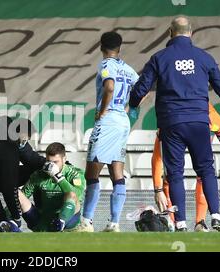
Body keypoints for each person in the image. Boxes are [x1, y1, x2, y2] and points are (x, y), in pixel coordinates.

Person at [129, 15, 220, 231]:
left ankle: (182, 223)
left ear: (170, 33)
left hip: (171, 123)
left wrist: (133, 104)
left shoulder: (159, 58)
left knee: (175, 173)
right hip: (198, 121)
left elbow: (142, 87)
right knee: (206, 169)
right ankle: (215, 216)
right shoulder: (203, 57)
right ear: (191, 33)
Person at [82, 31, 139, 232]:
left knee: (91, 173)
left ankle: (86, 221)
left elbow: (109, 87)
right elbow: (143, 89)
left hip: (108, 122)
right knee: (117, 171)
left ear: (101, 46)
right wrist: (128, 109)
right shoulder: (128, 69)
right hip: (123, 122)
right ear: (120, 47)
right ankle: (114, 223)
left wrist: (104, 111)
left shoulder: (106, 65)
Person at [152, 103, 220, 231]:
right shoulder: (212, 117)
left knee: (177, 175)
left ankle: (193, 222)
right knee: (203, 173)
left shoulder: (212, 116)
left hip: (174, 124)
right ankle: (175, 221)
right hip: (180, 123)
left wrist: (157, 190)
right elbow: (157, 158)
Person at [2, 142, 87, 232]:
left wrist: (58, 177)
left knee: (71, 195)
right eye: (49, 162)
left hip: (68, 222)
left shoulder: (76, 173)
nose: (51, 166)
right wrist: (6, 214)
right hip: (42, 220)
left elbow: (77, 195)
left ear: (64, 159)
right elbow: (22, 196)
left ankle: (60, 223)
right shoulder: (38, 175)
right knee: (16, 193)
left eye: (55, 162)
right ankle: (11, 225)